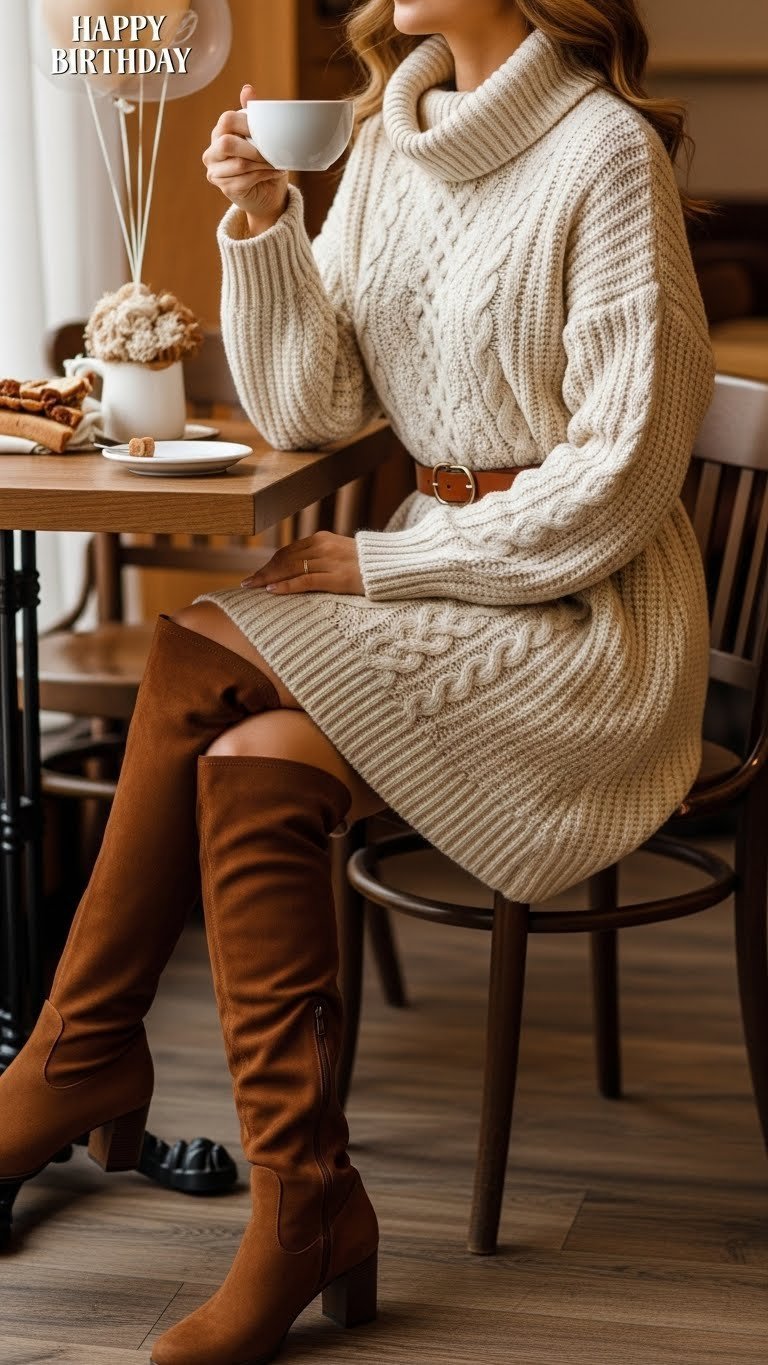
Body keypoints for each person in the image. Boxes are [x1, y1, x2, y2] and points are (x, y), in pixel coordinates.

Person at [0, 1, 715, 1361]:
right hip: (443, 571)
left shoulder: (605, 153)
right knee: (245, 757)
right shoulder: (390, 145)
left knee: (200, 643)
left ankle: (74, 1055)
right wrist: (267, 227)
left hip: (584, 618)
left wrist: (389, 570)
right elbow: (310, 411)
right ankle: (306, 1199)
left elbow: (622, 479)